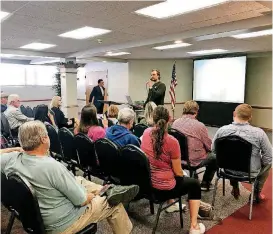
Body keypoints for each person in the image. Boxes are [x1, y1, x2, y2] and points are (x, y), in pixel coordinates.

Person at [1, 121, 139, 234]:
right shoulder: (52, 166)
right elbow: (83, 200)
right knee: (114, 204)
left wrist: (16, 149)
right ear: (44, 139)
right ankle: (107, 193)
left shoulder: (11, 159)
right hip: (63, 224)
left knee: (78, 180)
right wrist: (93, 195)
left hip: (38, 219)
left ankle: (110, 189)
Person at [141, 106, 205, 234]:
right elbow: (178, 172)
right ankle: (194, 226)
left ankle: (172, 204)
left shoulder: (146, 133)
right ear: (169, 119)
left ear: (152, 118)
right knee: (194, 184)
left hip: (147, 184)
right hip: (164, 189)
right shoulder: (172, 141)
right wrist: (184, 175)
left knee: (171, 173)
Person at [212, 104, 272, 202]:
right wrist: (260, 163)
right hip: (249, 172)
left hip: (227, 169)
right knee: (268, 165)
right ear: (250, 117)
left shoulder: (222, 130)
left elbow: (213, 150)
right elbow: (269, 157)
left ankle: (234, 185)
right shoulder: (259, 133)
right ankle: (255, 194)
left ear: (234, 114)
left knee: (232, 157)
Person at [172, 101, 217, 191]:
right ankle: (205, 183)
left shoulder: (175, 123)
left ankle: (194, 177)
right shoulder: (200, 126)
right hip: (194, 161)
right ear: (196, 112)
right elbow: (209, 146)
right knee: (215, 157)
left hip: (178, 159)